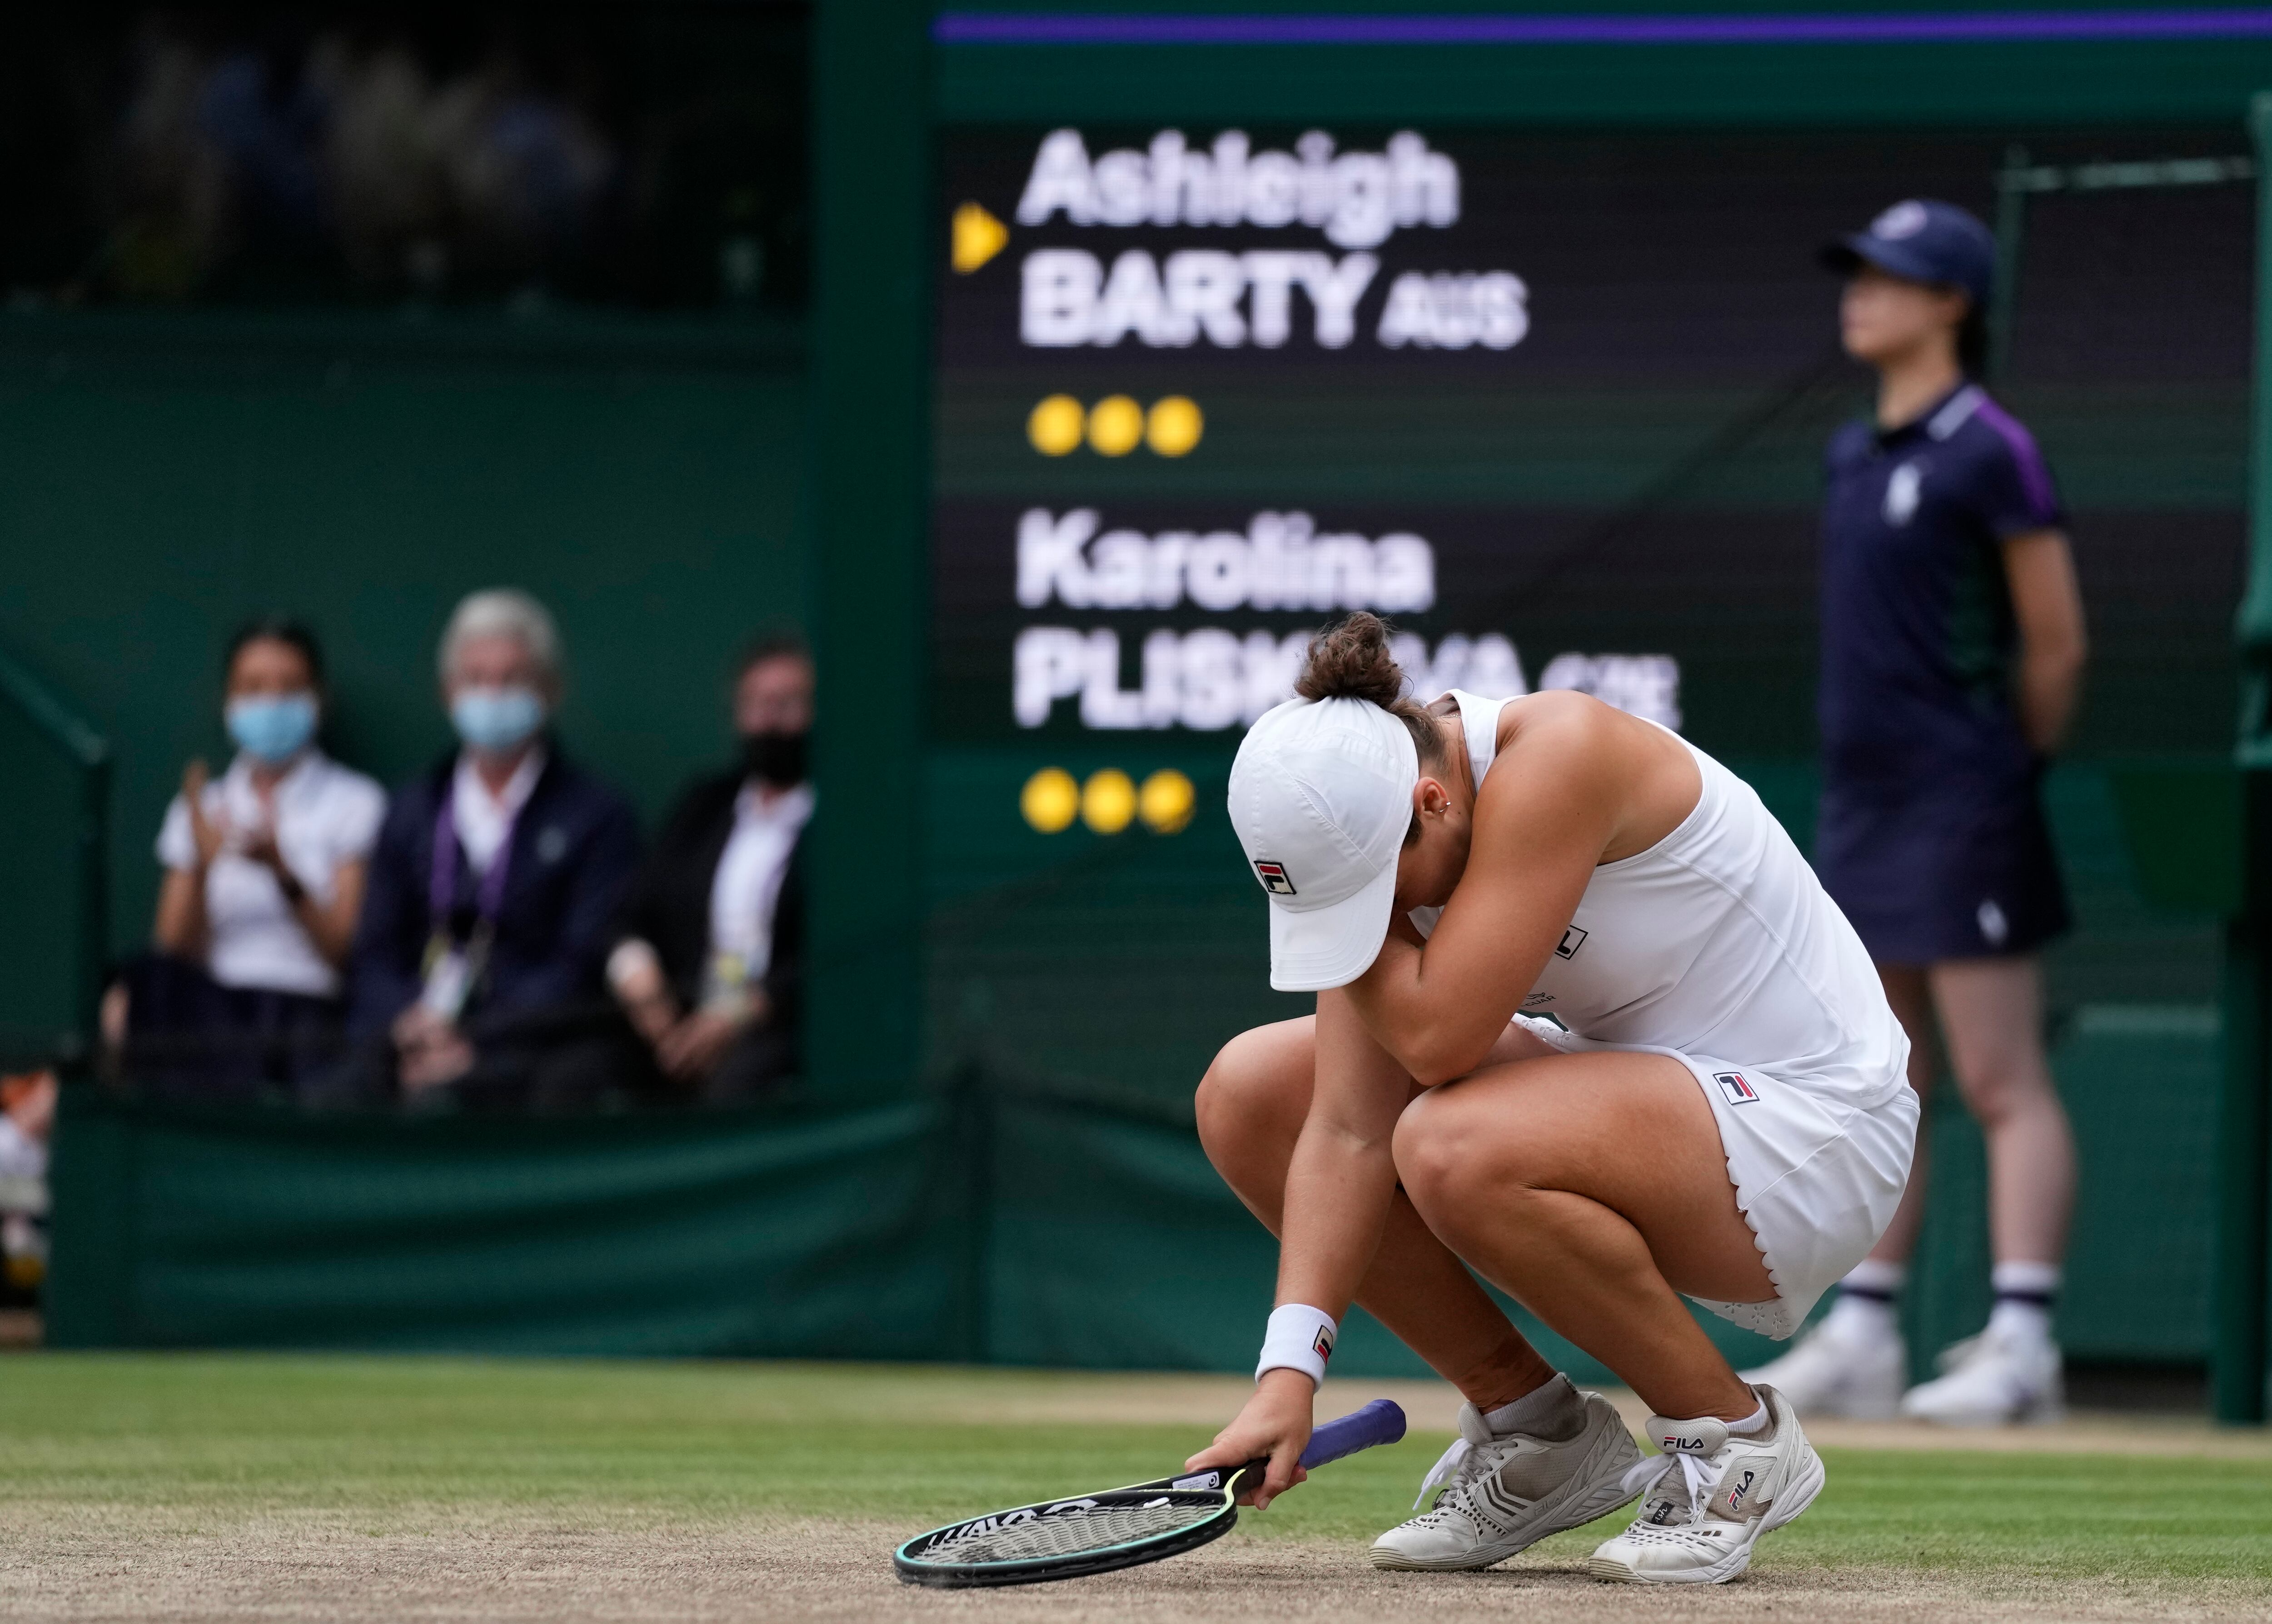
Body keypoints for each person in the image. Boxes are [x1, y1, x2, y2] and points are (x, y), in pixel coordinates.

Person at [1185, 614, 1915, 1586]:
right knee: (1251, 1093)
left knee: (1452, 1142)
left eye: (1366, 888)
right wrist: (1289, 1375)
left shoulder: (1561, 753)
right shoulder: (1384, 822)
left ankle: (1736, 1440)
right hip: (1640, 1099)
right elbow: (1348, 1125)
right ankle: (1536, 1431)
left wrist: (1357, 920)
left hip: (1820, 1132)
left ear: (1432, 801)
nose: (1364, 922)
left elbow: (1438, 1038)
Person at [1742, 201, 2088, 1427]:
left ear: (1954, 303)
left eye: (1892, 278)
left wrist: (2000, 765)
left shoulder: (1992, 447)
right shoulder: (1853, 451)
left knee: (1999, 1072)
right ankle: (1871, 1329)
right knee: (1884, 1071)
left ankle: (2024, 1341)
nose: (1862, 294)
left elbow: (2055, 644)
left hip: (1968, 798)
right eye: (1859, 274)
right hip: (1866, 806)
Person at [333, 588, 640, 1111]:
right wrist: (414, 1025)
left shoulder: (597, 814)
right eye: (476, 680)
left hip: (532, 1048)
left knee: (447, 1105)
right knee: (336, 1099)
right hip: (411, 1037)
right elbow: (375, 953)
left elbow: (581, 960)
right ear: (448, 692)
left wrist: (475, 1038)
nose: (492, 696)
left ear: (551, 689)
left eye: (513, 680)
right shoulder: (411, 810)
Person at [113, 619, 384, 1099]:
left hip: (309, 1016)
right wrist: (199, 864)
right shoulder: (200, 807)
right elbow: (173, 949)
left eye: (289, 687)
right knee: (137, 989)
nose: (271, 703)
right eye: (254, 688)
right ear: (228, 701)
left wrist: (283, 874)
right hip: (216, 1015)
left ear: (319, 699)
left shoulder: (356, 801)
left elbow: (346, 953)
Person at [607, 634, 812, 1104]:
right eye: (756, 705)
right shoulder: (704, 805)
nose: (769, 721)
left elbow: (824, 952)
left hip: (772, 1026)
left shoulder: (842, 824)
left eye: (786, 704)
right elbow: (631, 917)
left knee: (739, 1083)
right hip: (677, 1017)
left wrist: (736, 1014)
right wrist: (644, 992)